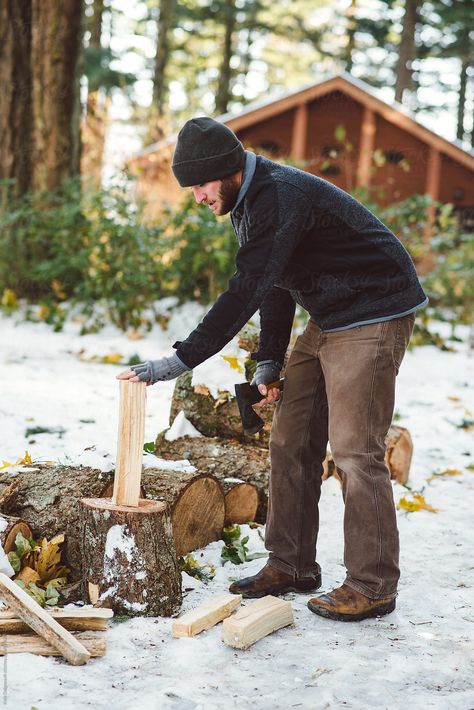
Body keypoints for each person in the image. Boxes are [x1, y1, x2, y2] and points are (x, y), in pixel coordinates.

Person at [117, 116, 428, 622]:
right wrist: (269, 361)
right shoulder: (249, 201)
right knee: (290, 439)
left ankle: (373, 585)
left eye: (199, 185)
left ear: (226, 170)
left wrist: (178, 360)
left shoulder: (280, 195)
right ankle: (291, 562)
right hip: (330, 313)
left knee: (354, 451)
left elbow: (245, 289)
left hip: (374, 310)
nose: (196, 197)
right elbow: (276, 284)